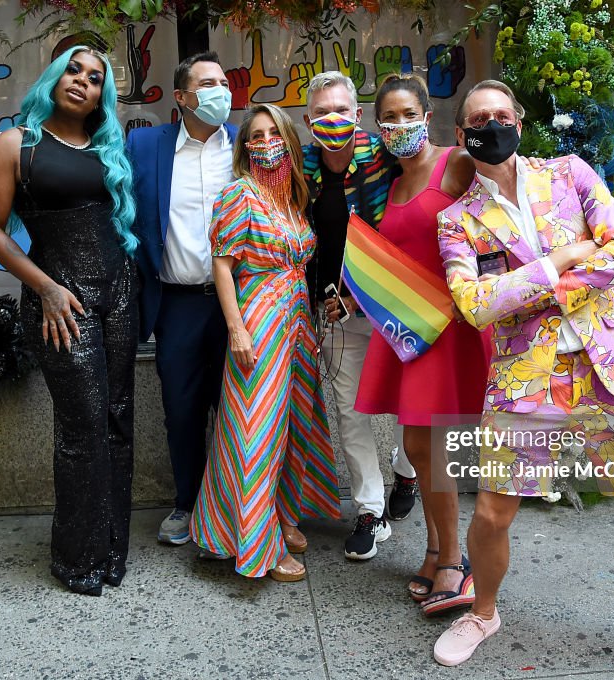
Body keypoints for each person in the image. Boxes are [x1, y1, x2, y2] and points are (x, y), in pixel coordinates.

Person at [431, 80, 614, 680]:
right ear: (462, 134)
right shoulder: (456, 222)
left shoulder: (569, 174)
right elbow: (474, 305)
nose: (492, 125)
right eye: (479, 119)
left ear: (519, 119)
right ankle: (483, 613)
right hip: (524, 379)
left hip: (607, 365)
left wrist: (539, 290)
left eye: (501, 114)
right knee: (491, 510)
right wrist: (559, 260)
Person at [0, 46, 138, 596]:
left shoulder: (107, 148)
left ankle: (112, 549)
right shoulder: (16, 144)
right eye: (74, 70)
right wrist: (43, 286)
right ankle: (77, 558)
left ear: (101, 96)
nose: (82, 82)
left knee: (115, 418)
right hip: (59, 302)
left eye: (95, 79)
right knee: (83, 425)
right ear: (53, 77)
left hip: (118, 293)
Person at [352, 74, 489, 614]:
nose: (400, 125)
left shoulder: (454, 162)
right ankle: (436, 551)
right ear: (379, 127)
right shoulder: (389, 181)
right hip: (408, 328)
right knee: (414, 448)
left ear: (427, 116)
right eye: (390, 117)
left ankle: (456, 561)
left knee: (434, 451)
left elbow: (497, 214)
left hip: (448, 327)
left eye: (409, 114)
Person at [189, 103, 340, 581]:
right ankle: (257, 543)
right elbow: (221, 265)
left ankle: (278, 513)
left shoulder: (293, 199)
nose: (265, 141)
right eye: (255, 135)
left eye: (273, 133)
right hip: (259, 321)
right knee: (255, 429)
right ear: (245, 147)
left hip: (297, 320)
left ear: (289, 141)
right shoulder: (240, 195)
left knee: (293, 422)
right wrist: (236, 329)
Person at [302, 70, 418, 561]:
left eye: (341, 110)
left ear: (357, 114)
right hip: (334, 309)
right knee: (350, 412)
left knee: (412, 404)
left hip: (393, 301)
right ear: (308, 120)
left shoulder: (386, 158)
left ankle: (408, 472)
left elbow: (402, 230)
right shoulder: (300, 168)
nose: (333, 118)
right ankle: (370, 510)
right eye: (322, 111)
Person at [125, 53, 236, 546]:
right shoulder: (145, 145)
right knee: (183, 408)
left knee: (243, 408)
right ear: (183, 97)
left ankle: (243, 507)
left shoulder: (249, 146)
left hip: (244, 304)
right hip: (179, 303)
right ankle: (187, 502)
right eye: (207, 84)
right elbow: (123, 216)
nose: (220, 92)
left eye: (224, 83)